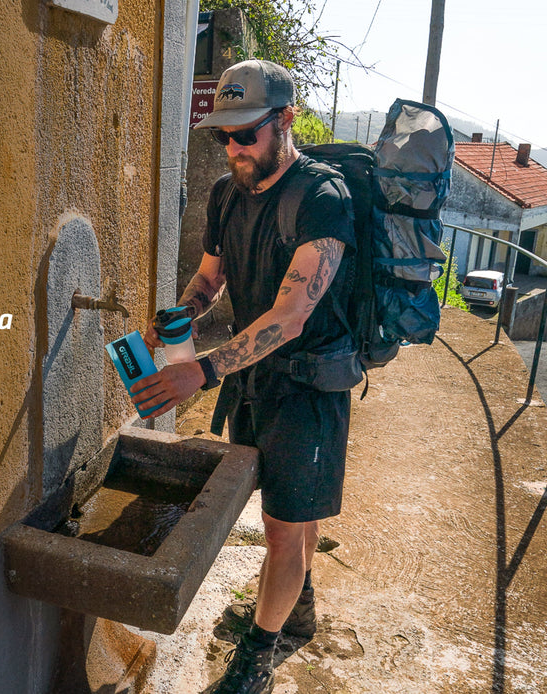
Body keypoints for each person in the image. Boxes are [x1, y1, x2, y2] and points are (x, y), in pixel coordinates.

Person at [130, 59, 357, 694]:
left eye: (246, 134)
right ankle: (299, 604)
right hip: (255, 379)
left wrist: (199, 372)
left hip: (310, 387)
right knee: (289, 509)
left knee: (285, 527)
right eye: (222, 136)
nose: (233, 148)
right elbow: (211, 277)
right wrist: (183, 314)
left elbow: (288, 317)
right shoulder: (227, 193)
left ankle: (255, 659)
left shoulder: (323, 199)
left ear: (284, 121)